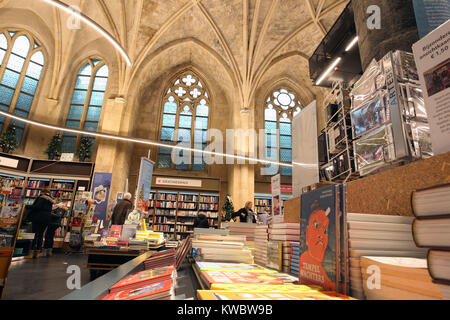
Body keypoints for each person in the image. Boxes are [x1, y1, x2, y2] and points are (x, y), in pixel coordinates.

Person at [30, 188, 56, 258]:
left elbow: (37, 207)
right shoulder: (51, 200)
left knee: (35, 234)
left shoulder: (41, 198)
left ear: (42, 192)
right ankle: (38, 252)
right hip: (46, 219)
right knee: (41, 234)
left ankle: (31, 252)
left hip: (38, 218)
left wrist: (29, 207)